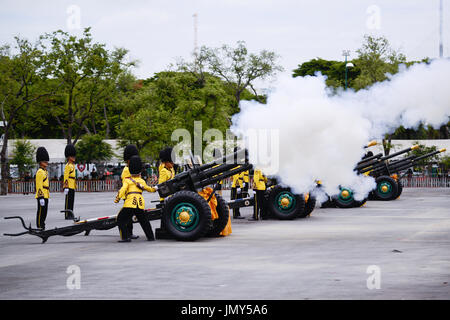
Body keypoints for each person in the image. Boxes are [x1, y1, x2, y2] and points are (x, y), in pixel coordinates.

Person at [114, 155, 158, 242]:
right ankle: (150, 237)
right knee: (144, 220)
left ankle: (126, 237)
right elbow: (149, 189)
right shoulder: (141, 181)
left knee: (120, 219)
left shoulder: (127, 180)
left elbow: (122, 190)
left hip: (130, 202)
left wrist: (117, 199)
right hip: (140, 203)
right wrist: (155, 188)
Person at [120, 144, 140, 239]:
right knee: (127, 217)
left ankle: (130, 233)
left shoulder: (131, 168)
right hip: (128, 196)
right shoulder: (126, 170)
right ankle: (127, 233)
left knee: (130, 216)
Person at [35, 147, 50, 229]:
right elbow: (39, 185)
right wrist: (41, 197)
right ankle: (39, 225)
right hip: (42, 195)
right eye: (45, 161)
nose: (46, 162)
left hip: (46, 195)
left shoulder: (45, 171)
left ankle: (42, 225)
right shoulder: (40, 172)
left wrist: (47, 196)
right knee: (41, 211)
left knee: (45, 212)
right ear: (40, 162)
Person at [63, 144, 77, 220]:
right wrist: (66, 186)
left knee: (71, 201)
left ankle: (71, 214)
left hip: (72, 185)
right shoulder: (67, 166)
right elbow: (66, 177)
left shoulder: (72, 165)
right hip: (68, 186)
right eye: (72, 156)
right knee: (68, 201)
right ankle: (67, 215)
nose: (74, 158)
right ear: (68, 157)